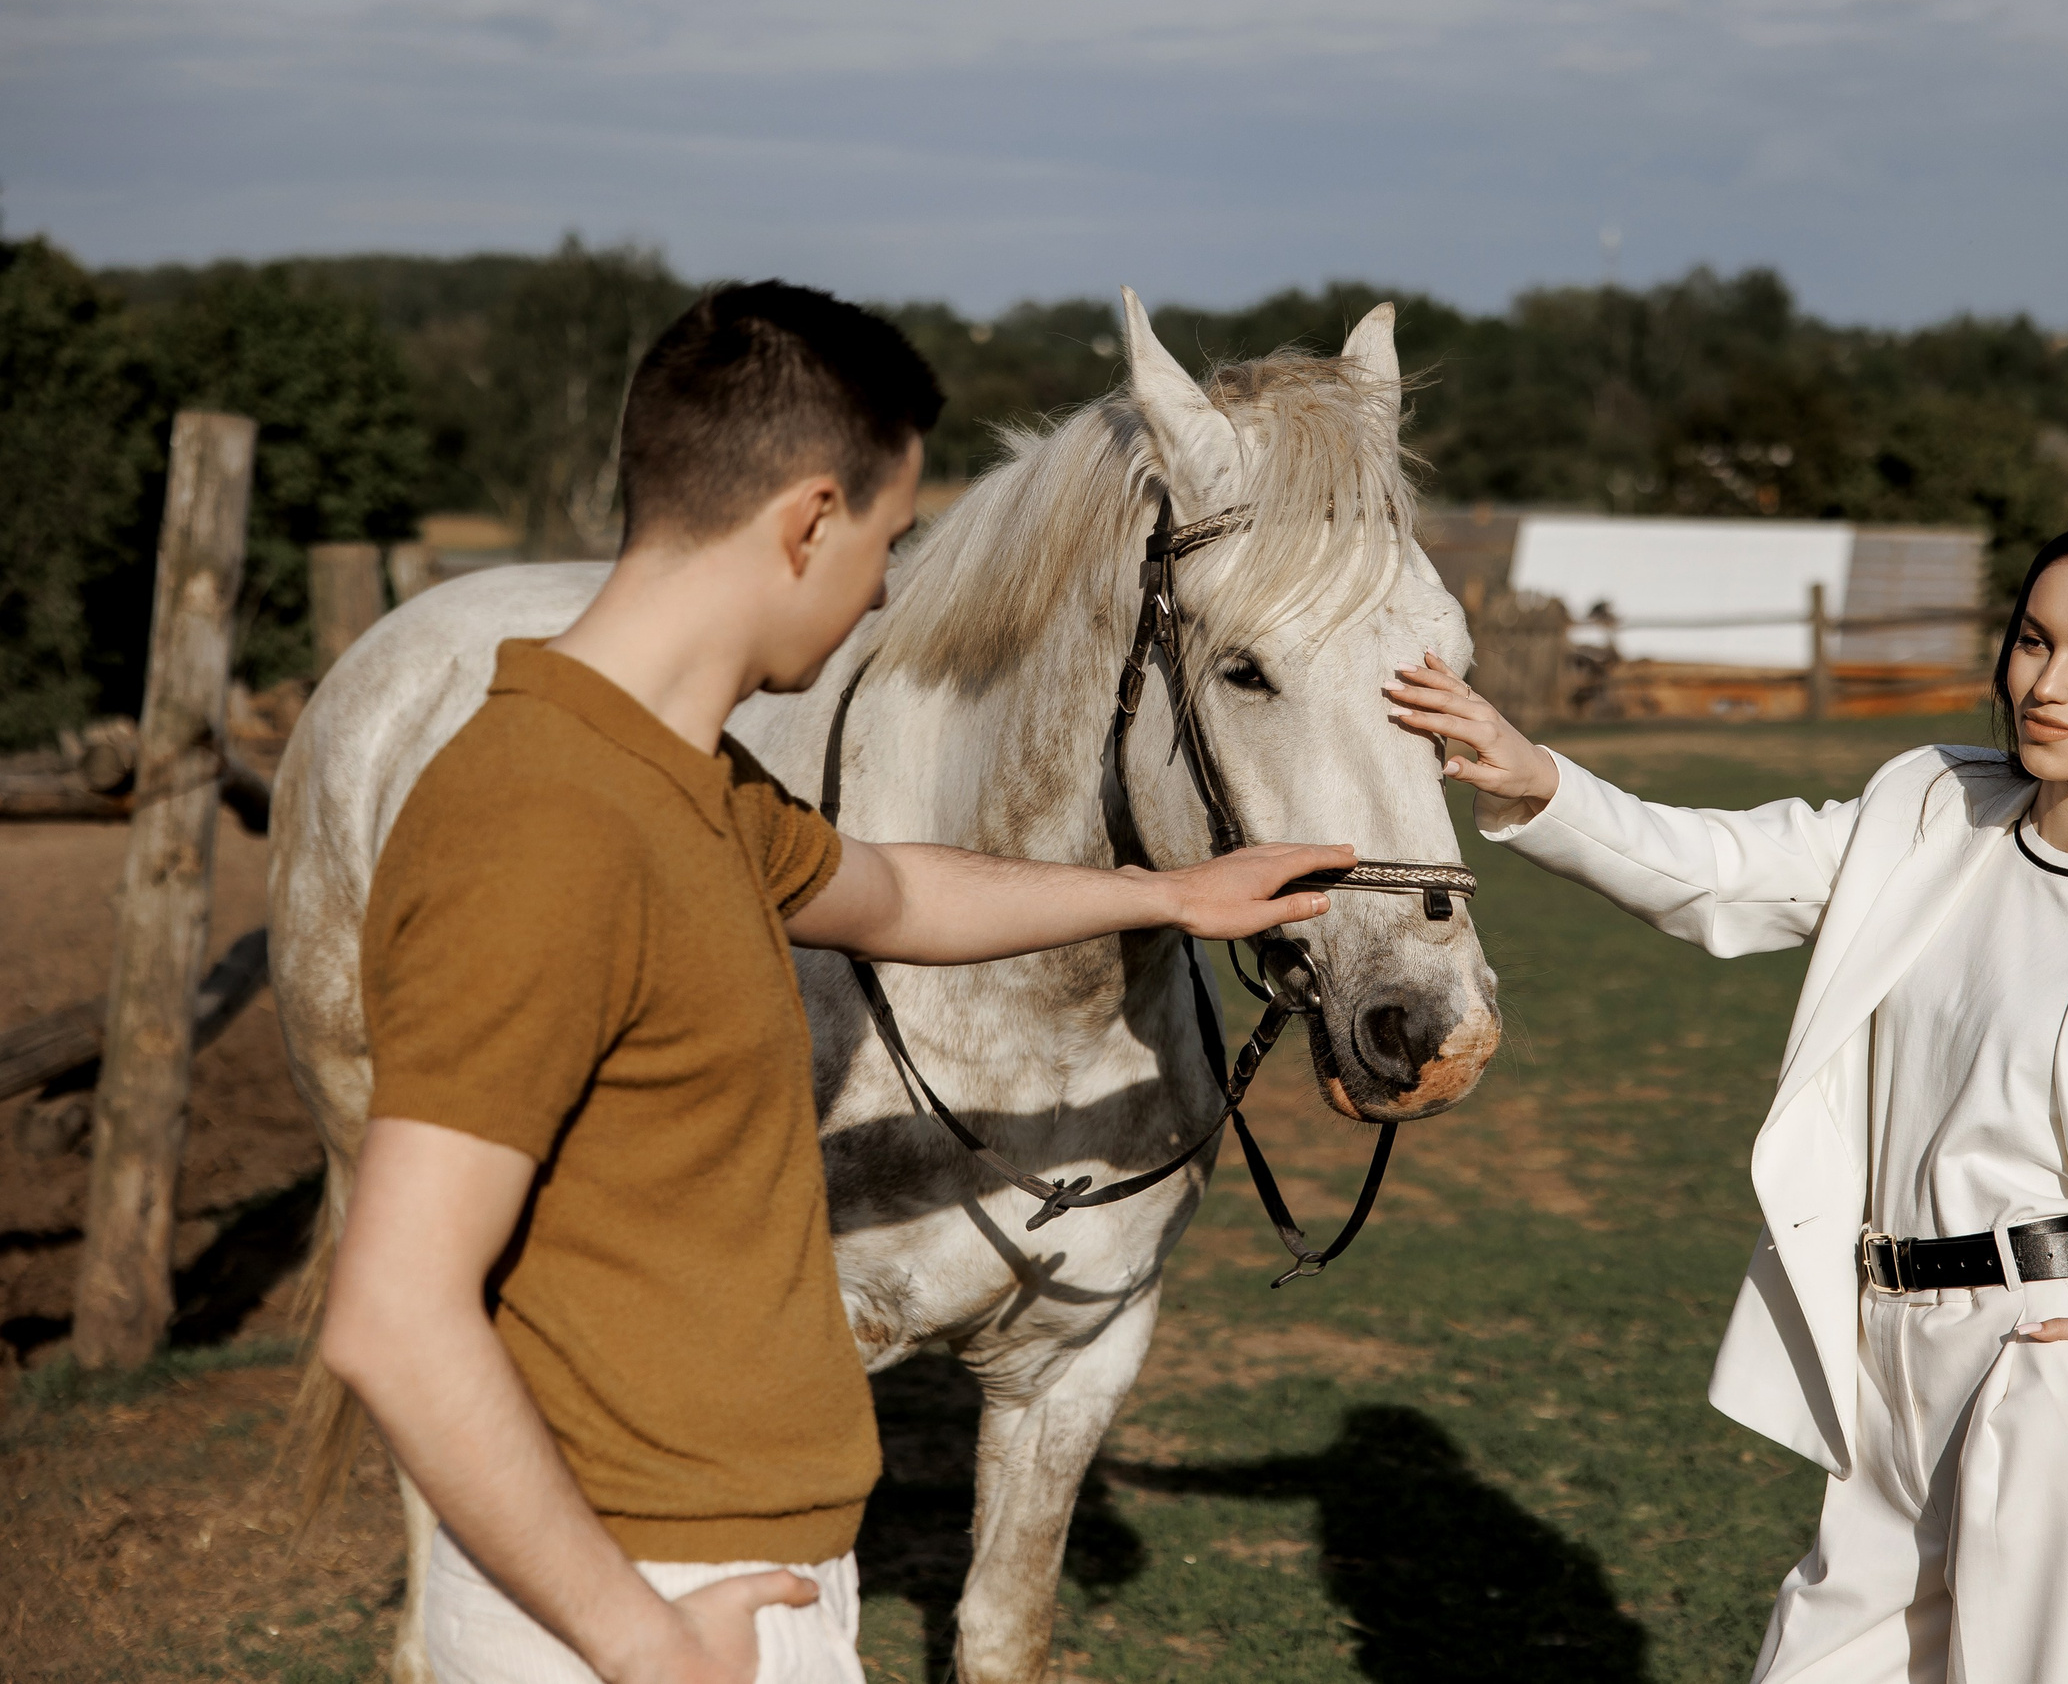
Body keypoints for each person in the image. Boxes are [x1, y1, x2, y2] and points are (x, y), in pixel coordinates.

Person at [317, 283, 1352, 1684]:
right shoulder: (546, 825)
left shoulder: (683, 778)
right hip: (639, 1586)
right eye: (890, 540)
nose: (886, 589)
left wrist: (1169, 895)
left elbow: (898, 895)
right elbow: (392, 1308)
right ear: (809, 521)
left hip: (737, 1559)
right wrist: (638, 1640)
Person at [1387, 520, 2068, 1684]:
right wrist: (1539, 777)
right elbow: (1722, 873)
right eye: (2033, 642)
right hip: (1886, 1352)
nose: (2045, 685)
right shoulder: (1932, 810)